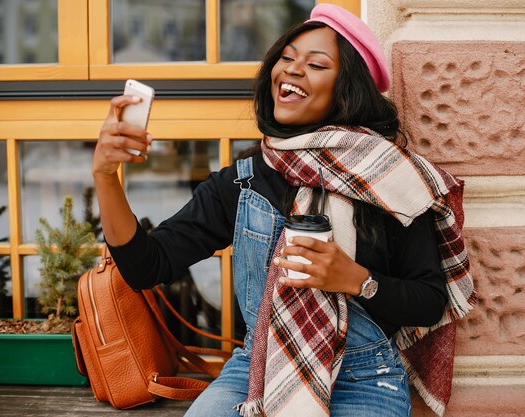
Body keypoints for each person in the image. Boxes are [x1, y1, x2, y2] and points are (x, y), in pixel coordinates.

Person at [92, 4, 475, 417]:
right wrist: (105, 176)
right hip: (254, 370)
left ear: (346, 88)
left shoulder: (390, 180)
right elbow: (147, 267)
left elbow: (430, 301)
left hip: (364, 378)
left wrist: (356, 280)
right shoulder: (244, 182)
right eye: (287, 58)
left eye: (315, 64)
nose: (291, 70)